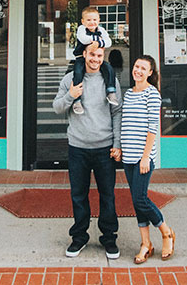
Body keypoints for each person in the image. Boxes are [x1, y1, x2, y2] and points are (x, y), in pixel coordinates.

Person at [52, 45, 122, 259]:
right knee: (78, 195)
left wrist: (117, 143)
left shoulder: (110, 80)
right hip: (78, 147)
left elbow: (117, 111)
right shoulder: (70, 79)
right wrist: (71, 96)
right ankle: (79, 237)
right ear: (84, 55)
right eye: (92, 55)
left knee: (108, 195)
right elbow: (57, 107)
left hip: (104, 148)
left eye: (100, 55)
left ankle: (109, 238)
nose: (96, 59)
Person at [117, 54, 175, 263]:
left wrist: (145, 158)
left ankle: (166, 232)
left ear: (151, 72)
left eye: (143, 68)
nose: (138, 71)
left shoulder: (152, 94)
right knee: (136, 201)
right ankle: (145, 244)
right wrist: (121, 148)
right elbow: (126, 124)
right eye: (136, 66)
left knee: (140, 199)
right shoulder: (129, 94)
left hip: (143, 158)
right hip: (128, 157)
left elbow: (152, 129)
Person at [70, 6, 118, 114]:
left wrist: (98, 43)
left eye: (95, 20)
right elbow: (84, 39)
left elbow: (109, 42)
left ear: (99, 20)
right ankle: (77, 100)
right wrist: (97, 41)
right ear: (83, 21)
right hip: (80, 58)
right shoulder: (82, 29)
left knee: (109, 68)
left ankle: (111, 91)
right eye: (88, 20)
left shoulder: (101, 30)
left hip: (95, 58)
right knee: (78, 73)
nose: (92, 22)